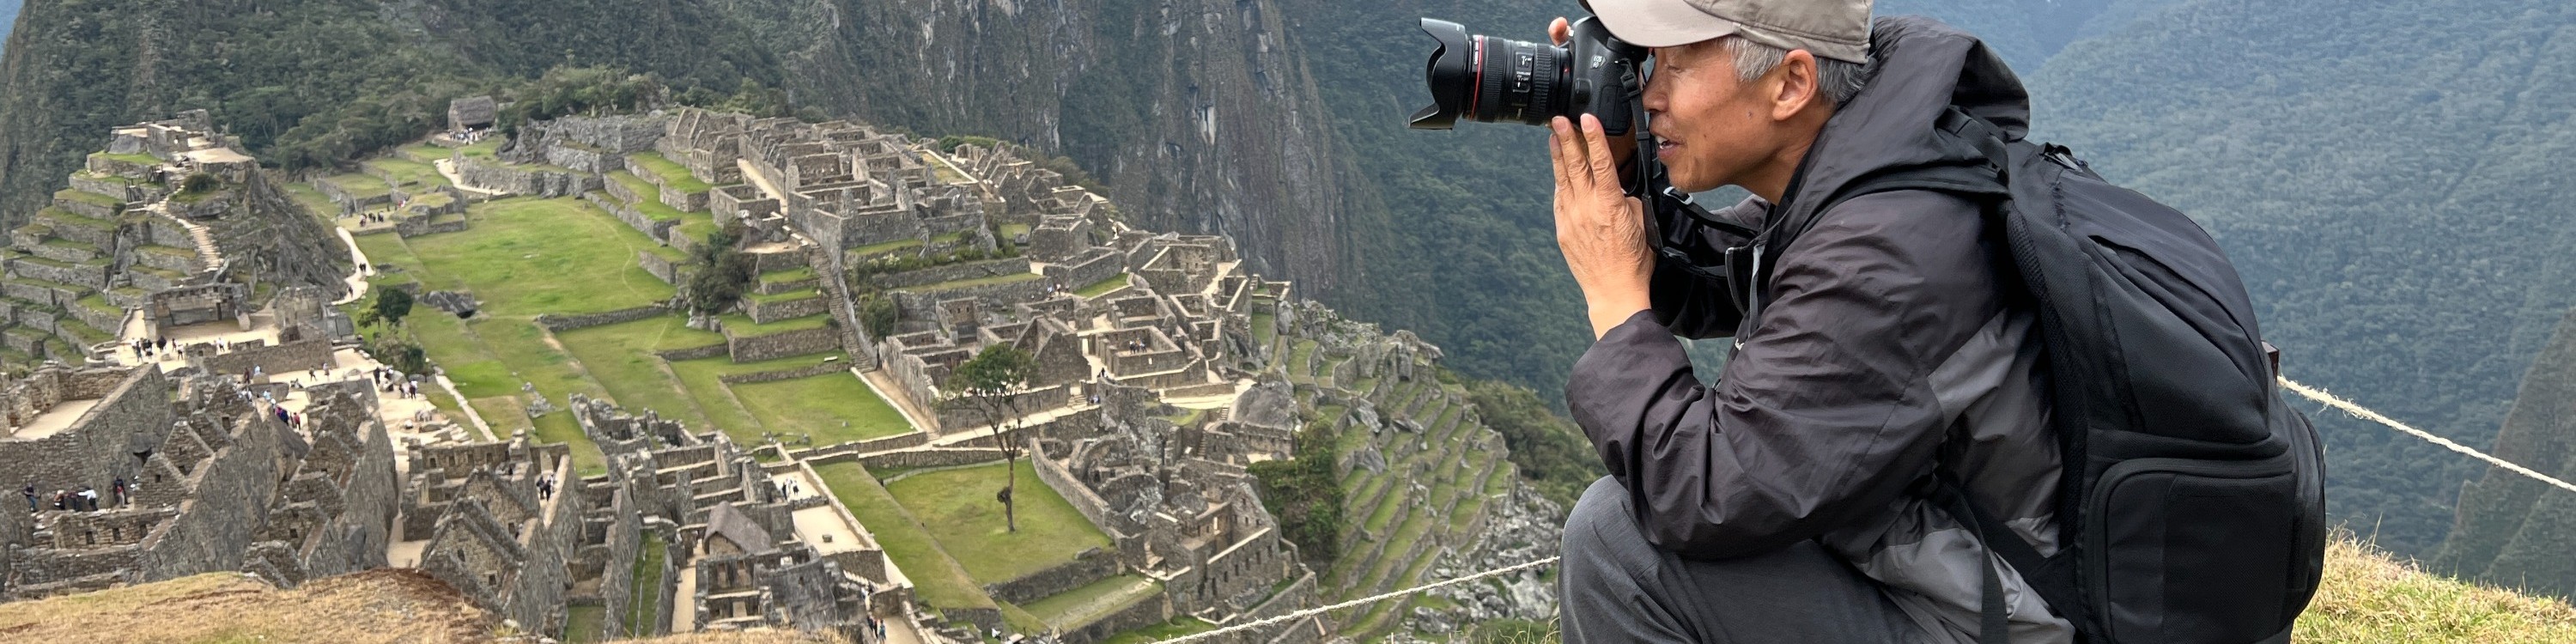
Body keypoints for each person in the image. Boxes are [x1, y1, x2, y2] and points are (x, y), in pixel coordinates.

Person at [1543, 2, 2066, 643]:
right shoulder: (1871, 176)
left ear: (1791, 84)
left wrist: (1615, 300)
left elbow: (1698, 490)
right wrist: (1620, 161)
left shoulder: (1886, 255)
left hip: (1985, 620)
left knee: (1615, 542)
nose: (1650, 92)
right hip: (1913, 559)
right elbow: (1712, 272)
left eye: (1676, 66)